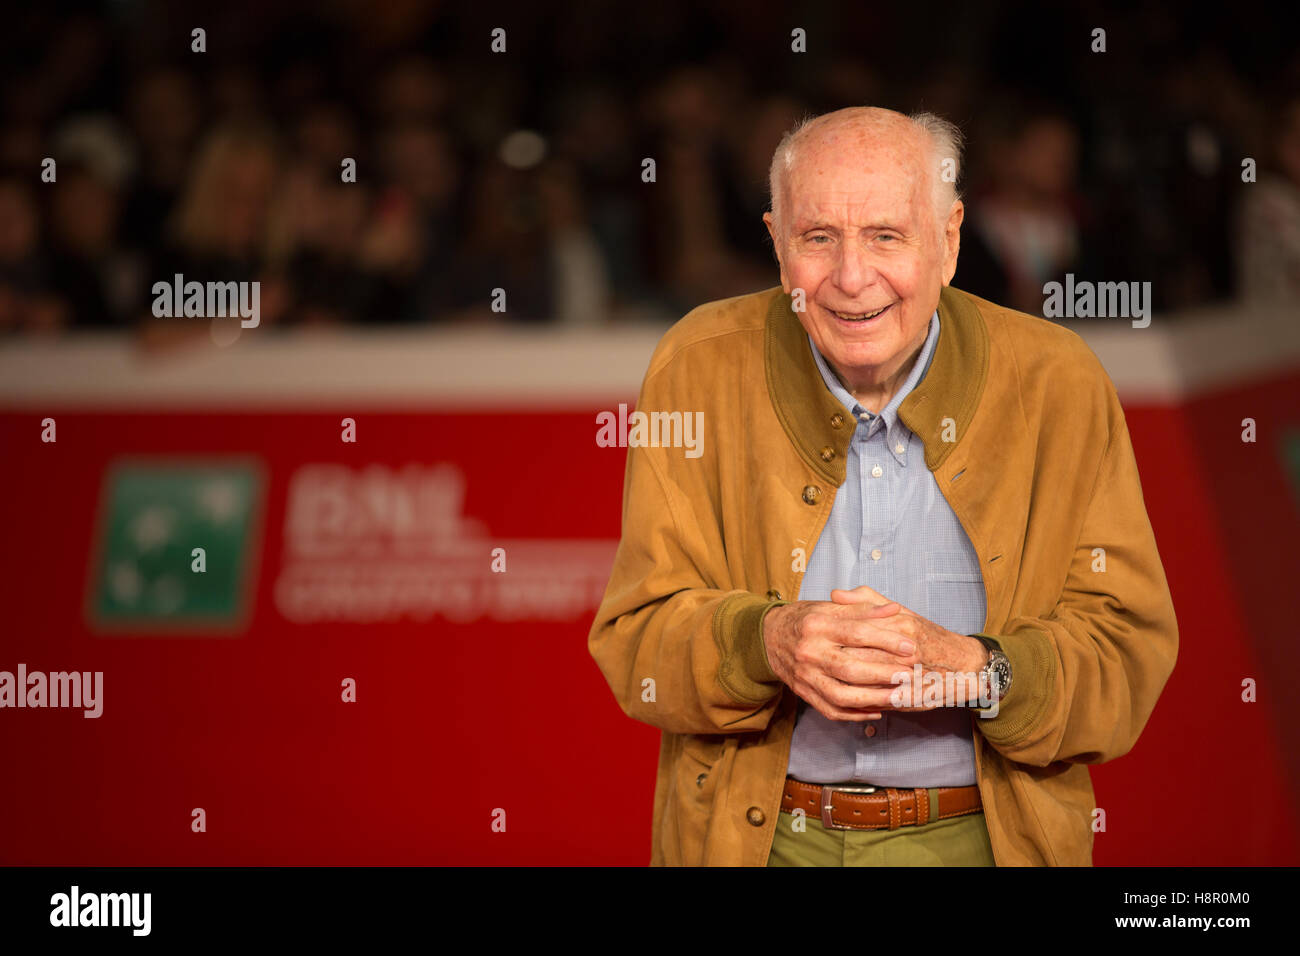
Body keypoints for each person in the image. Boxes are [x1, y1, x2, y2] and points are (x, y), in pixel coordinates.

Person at [587, 106, 1178, 866]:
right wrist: (764, 640)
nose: (852, 278)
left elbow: (1126, 656)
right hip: (759, 843)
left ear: (950, 240)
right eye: (818, 238)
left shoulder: (1058, 383)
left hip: (987, 841)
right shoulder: (696, 369)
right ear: (775, 244)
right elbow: (636, 646)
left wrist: (979, 669)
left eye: (886, 236)